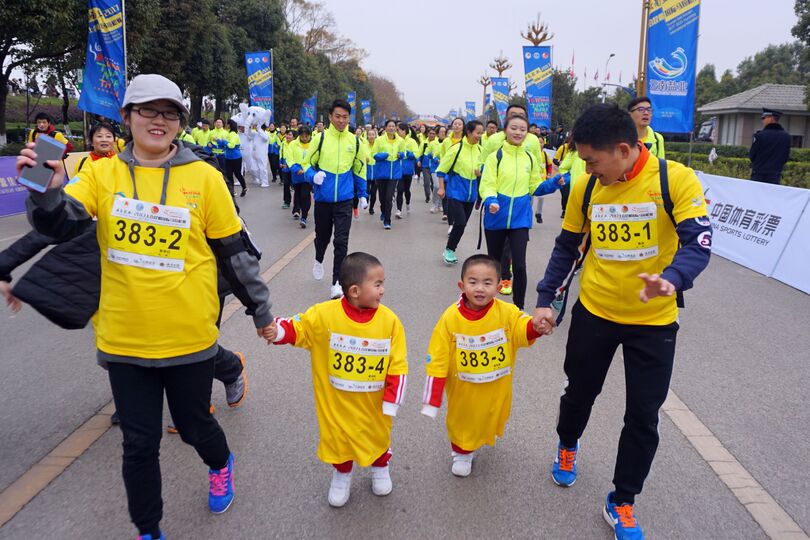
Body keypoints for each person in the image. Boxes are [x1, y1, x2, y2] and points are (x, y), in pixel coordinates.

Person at [18, 74, 275, 539]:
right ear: (126, 119)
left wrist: (261, 311)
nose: (158, 121)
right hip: (124, 337)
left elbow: (233, 254)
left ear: (179, 121)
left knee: (196, 427)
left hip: (189, 336)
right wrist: (46, 188)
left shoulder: (205, 178)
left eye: (169, 112)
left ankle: (221, 464)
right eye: (147, 111)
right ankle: (148, 529)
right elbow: (58, 224)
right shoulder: (100, 173)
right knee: (139, 444)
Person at [532, 104, 712, 540]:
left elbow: (699, 242)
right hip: (595, 312)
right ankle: (568, 444)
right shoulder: (586, 186)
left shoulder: (676, 180)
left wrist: (671, 279)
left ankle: (623, 500)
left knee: (643, 414)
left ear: (625, 149)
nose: (588, 169)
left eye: (593, 160)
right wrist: (544, 299)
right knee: (580, 392)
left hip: (654, 321)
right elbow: (566, 246)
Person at [266, 252, 408, 507]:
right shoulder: (324, 314)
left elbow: (399, 363)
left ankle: (380, 468)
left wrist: (392, 400)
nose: (383, 290)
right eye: (377, 285)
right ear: (354, 290)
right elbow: (299, 328)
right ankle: (342, 475)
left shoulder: (390, 321)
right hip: (335, 404)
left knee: (376, 437)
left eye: (382, 283)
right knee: (338, 440)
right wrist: (276, 330)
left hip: (373, 404)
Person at [421, 254, 543, 476]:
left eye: (487, 283)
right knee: (463, 420)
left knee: (490, 414)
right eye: (473, 282)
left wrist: (535, 327)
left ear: (499, 286)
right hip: (464, 389)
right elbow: (437, 357)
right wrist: (433, 397)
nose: (480, 289)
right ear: (462, 285)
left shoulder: (506, 312)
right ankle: (461, 452)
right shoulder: (450, 318)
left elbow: (520, 328)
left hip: (496, 386)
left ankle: (482, 434)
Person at [480, 115, 566, 311]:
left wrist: (553, 183)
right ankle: (489, 307)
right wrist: (491, 200)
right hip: (496, 217)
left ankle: (518, 309)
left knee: (519, 266)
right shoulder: (496, 157)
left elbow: (535, 186)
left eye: (522, 129)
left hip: (520, 219)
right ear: (505, 131)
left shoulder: (529, 158)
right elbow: (487, 184)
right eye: (514, 128)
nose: (518, 132)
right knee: (494, 266)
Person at [306, 99, 368, 299]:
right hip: (323, 198)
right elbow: (306, 164)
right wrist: (312, 176)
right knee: (322, 237)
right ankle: (318, 258)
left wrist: (363, 193)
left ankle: (337, 283)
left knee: (341, 241)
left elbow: (359, 169)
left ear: (349, 118)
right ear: (331, 117)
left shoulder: (355, 141)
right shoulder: (320, 139)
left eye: (345, 117)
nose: (342, 121)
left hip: (344, 199)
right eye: (338, 116)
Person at [436, 120, 484, 265]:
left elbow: (485, 172)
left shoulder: (481, 151)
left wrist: (479, 174)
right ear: (469, 132)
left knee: (462, 224)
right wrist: (442, 188)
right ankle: (449, 249)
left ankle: (451, 249)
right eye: (478, 132)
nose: (479, 136)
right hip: (456, 191)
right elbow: (441, 169)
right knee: (461, 222)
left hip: (471, 194)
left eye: (481, 133)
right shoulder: (456, 148)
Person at [371, 119, 405, 230]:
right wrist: (383, 156)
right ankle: (383, 211)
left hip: (394, 172)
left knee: (389, 197)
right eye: (389, 126)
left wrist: (401, 155)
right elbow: (374, 154)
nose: (391, 128)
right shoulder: (379, 140)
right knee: (382, 197)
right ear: (385, 128)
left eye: (393, 126)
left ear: (396, 128)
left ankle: (387, 220)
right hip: (381, 172)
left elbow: (403, 153)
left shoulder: (400, 140)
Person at [749, 108, 792, 184]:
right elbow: (785, 157)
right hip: (775, 176)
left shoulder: (760, 136)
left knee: (755, 195)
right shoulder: (786, 137)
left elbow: (752, 155)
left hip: (758, 175)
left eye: (764, 118)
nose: (762, 120)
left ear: (771, 118)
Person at [288, 125, 313, 228]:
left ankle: (304, 217)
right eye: (302, 136)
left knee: (305, 195)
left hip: (308, 174)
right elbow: (289, 158)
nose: (304, 138)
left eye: (306, 136)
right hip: (297, 174)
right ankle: (297, 209)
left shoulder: (313, 144)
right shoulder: (293, 144)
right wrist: (295, 169)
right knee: (298, 195)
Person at [396, 123, 420, 218]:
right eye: (398, 130)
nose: (398, 132)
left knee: (406, 190)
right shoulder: (396, 140)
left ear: (405, 130)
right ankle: (399, 210)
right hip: (398, 169)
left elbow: (416, 154)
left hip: (408, 169)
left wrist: (408, 154)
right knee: (399, 189)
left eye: (400, 130)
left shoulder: (412, 141)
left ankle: (408, 203)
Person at [224, 119, 248, 197]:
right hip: (228, 157)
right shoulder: (228, 133)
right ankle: (232, 191)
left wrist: (223, 142)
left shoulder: (233, 134)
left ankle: (244, 187)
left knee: (237, 174)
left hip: (235, 158)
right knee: (229, 175)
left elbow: (231, 146)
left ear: (230, 125)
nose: (225, 125)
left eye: (227, 124)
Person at [420, 128, 437, 207]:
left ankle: (435, 198)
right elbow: (419, 153)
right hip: (425, 166)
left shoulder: (438, 143)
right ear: (427, 134)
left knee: (435, 184)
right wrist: (418, 161)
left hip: (435, 167)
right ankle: (427, 196)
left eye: (433, 133)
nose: (432, 135)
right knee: (427, 182)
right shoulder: (424, 143)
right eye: (430, 133)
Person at [279, 129, 295, 209]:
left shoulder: (296, 144)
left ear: (294, 137)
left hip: (294, 167)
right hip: (285, 167)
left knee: (296, 186)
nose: (288, 136)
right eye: (287, 134)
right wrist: (280, 163)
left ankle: (298, 203)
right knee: (286, 185)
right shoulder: (283, 143)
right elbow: (280, 153)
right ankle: (286, 201)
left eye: (290, 135)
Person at [365, 128, 378, 215]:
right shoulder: (364, 145)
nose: (371, 136)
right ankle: (366, 200)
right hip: (366, 171)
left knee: (373, 193)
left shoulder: (378, 145)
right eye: (369, 135)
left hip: (376, 172)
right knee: (367, 191)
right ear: (367, 136)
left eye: (373, 135)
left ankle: (371, 208)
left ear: (375, 136)